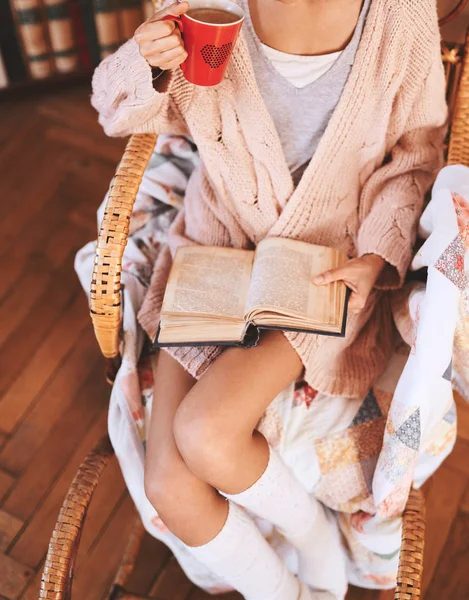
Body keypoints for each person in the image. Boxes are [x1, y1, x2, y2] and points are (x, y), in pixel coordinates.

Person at [91, 0, 447, 598]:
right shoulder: (204, 6)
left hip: (326, 266)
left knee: (206, 431)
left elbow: (417, 152)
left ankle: (314, 545)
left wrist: (378, 255)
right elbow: (118, 111)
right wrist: (146, 63)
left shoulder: (397, 13)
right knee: (168, 486)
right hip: (217, 244)